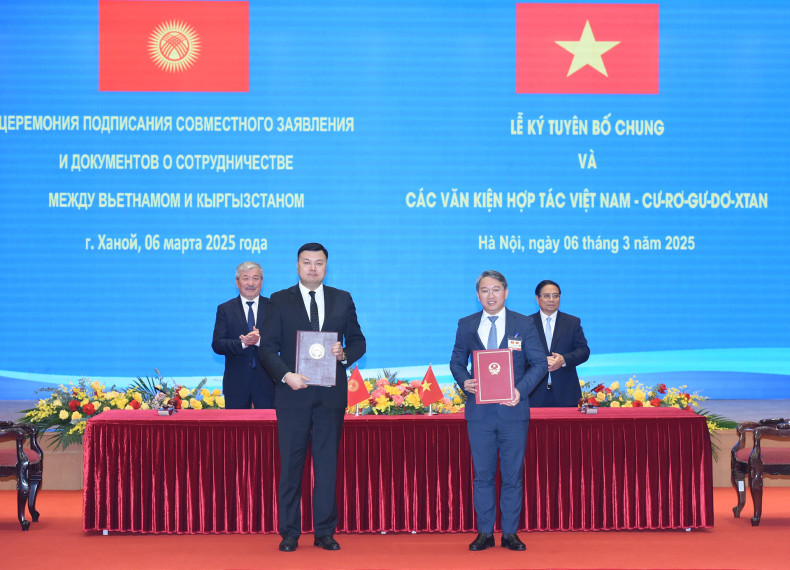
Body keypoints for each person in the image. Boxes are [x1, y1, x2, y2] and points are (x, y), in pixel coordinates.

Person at [259, 243, 366, 552]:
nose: (313, 268)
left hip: (330, 397)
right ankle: (290, 532)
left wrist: (344, 354)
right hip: (293, 395)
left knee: (327, 466)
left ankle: (324, 532)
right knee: (291, 467)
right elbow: (267, 348)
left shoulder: (342, 298)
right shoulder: (280, 300)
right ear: (297, 266)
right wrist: (285, 375)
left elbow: (358, 341)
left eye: (319, 263)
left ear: (326, 267)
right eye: (307, 262)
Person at [450, 270, 547, 551]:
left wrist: (520, 390)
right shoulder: (466, 324)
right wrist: (464, 380)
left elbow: (539, 363)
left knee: (512, 476)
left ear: (506, 292)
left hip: (513, 412)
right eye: (484, 290)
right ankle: (484, 532)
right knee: (482, 475)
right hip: (479, 413)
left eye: (495, 289)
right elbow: (456, 361)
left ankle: (510, 533)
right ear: (477, 295)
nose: (490, 295)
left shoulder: (524, 324)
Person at [211, 261, 275, 409]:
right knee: (236, 424)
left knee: (268, 424)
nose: (251, 283)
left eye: (255, 278)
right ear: (237, 282)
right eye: (246, 278)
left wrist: (259, 341)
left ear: (262, 281)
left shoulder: (273, 307)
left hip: (267, 383)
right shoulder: (225, 309)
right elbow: (217, 344)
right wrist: (242, 344)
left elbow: (282, 341)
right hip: (236, 384)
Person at [528, 280, 590, 407]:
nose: (551, 299)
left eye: (555, 296)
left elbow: (584, 351)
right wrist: (540, 361)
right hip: (534, 392)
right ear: (537, 299)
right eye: (547, 296)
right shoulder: (527, 323)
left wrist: (564, 360)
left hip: (566, 392)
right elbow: (518, 355)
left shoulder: (572, 322)